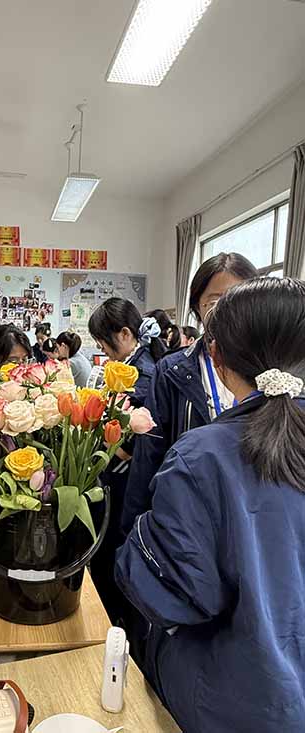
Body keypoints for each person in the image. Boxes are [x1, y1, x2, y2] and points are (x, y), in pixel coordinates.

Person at [116, 277, 305, 733]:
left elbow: (176, 598)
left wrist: (138, 540)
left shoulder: (202, 455)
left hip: (229, 700)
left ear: (216, 356)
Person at [122, 252, 259, 537]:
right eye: (216, 302)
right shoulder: (173, 370)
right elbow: (149, 456)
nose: (229, 310)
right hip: (187, 518)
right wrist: (133, 532)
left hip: (255, 519)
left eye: (240, 298)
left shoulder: (274, 371)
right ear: (197, 307)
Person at [87, 299, 166, 623]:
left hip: (124, 477)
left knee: (111, 550)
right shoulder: (135, 363)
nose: (101, 349)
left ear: (124, 333)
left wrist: (109, 449)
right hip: (118, 474)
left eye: (102, 341)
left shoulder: (142, 372)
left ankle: (110, 620)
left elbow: (141, 435)